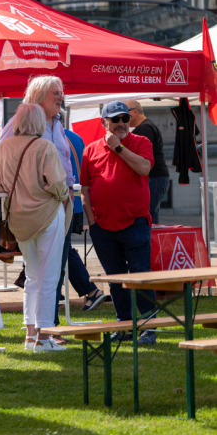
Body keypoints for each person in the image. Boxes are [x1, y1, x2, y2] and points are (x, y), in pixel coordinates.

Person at [0, 103, 72, 352]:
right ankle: (43, 338)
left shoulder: (1, 148)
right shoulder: (45, 146)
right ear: (39, 123)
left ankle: (31, 335)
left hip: (17, 219)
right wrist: (66, 194)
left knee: (32, 277)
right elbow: (57, 184)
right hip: (46, 214)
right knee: (48, 276)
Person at [81, 101, 157, 344]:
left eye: (125, 118)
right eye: (115, 119)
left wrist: (119, 148)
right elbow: (85, 188)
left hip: (135, 223)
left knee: (139, 275)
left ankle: (148, 327)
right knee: (115, 278)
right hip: (102, 227)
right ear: (104, 122)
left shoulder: (141, 143)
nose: (121, 123)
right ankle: (124, 326)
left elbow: (144, 168)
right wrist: (92, 221)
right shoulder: (90, 150)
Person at [62, 128, 107, 314]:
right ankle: (88, 290)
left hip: (66, 202)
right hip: (76, 202)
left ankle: (91, 290)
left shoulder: (56, 137)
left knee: (62, 249)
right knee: (61, 248)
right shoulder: (75, 137)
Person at [126, 100, 170, 224]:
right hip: (156, 178)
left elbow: (141, 158)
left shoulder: (144, 128)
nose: (123, 118)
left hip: (153, 178)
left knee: (147, 218)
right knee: (151, 218)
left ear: (134, 112)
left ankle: (149, 243)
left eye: (125, 114)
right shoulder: (147, 126)